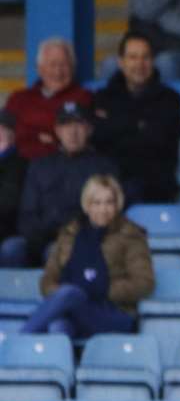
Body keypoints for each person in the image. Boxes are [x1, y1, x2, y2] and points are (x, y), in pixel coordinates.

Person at [25, 174, 154, 339]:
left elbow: (144, 283)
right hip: (74, 307)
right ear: (87, 205)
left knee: (70, 294)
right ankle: (64, 364)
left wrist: (102, 289)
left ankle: (15, 343)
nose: (103, 209)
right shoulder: (69, 234)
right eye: (97, 203)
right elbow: (47, 281)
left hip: (113, 311)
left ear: (117, 205)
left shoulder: (131, 236)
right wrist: (70, 295)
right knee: (58, 325)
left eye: (109, 202)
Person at [1, 103, 117, 267]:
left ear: (89, 129)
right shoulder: (40, 165)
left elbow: (102, 215)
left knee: (55, 251)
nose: (72, 132)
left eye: (79, 124)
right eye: (66, 125)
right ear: (57, 130)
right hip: (38, 239)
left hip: (76, 239)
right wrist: (38, 238)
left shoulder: (104, 167)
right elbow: (27, 213)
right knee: (10, 249)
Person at [90, 30, 180, 204]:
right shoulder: (102, 97)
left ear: (153, 61)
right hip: (109, 189)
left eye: (145, 57)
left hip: (155, 190)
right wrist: (138, 126)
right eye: (133, 57)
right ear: (121, 62)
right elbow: (98, 140)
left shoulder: (170, 99)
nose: (139, 64)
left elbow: (160, 143)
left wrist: (118, 126)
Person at [4, 37, 93, 162]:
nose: (58, 71)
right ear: (39, 69)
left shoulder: (83, 97)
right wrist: (41, 136)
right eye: (52, 64)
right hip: (19, 165)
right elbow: (5, 134)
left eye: (64, 65)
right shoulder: (18, 99)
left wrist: (29, 135)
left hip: (64, 165)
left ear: (73, 68)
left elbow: (79, 137)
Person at [0, 111, 24, 246]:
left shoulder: (19, 165)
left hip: (6, 231)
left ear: (13, 136)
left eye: (3, 129)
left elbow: (8, 204)